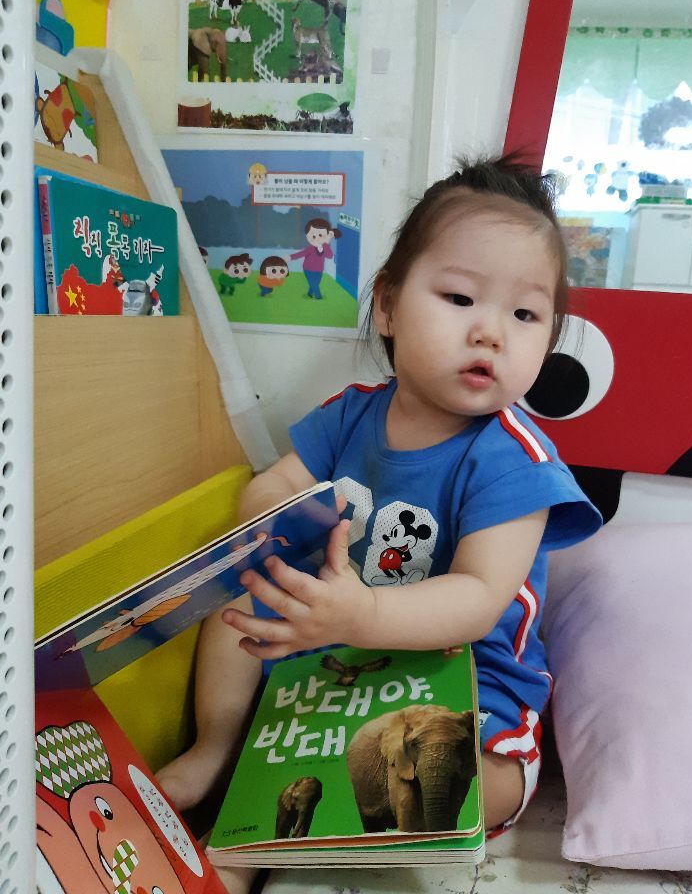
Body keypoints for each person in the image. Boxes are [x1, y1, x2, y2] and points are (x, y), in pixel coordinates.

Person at [157, 155, 603, 894]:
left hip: (462, 685)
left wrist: (362, 613)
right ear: (389, 306)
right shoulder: (352, 412)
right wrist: (267, 522)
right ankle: (217, 748)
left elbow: (477, 598)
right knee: (242, 591)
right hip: (337, 660)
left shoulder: (516, 459)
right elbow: (276, 483)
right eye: (460, 297)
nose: (492, 333)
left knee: (466, 781)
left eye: (525, 315)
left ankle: (261, 836)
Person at [289, 217, 341, 299]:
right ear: (307, 236)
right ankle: (318, 297)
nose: (317, 238)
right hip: (308, 269)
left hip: (319, 270)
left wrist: (325, 244)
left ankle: (309, 294)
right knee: (314, 283)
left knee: (316, 283)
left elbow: (330, 256)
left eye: (320, 235)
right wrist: (290, 257)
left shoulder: (325, 247)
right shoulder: (310, 248)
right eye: (313, 236)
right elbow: (300, 254)